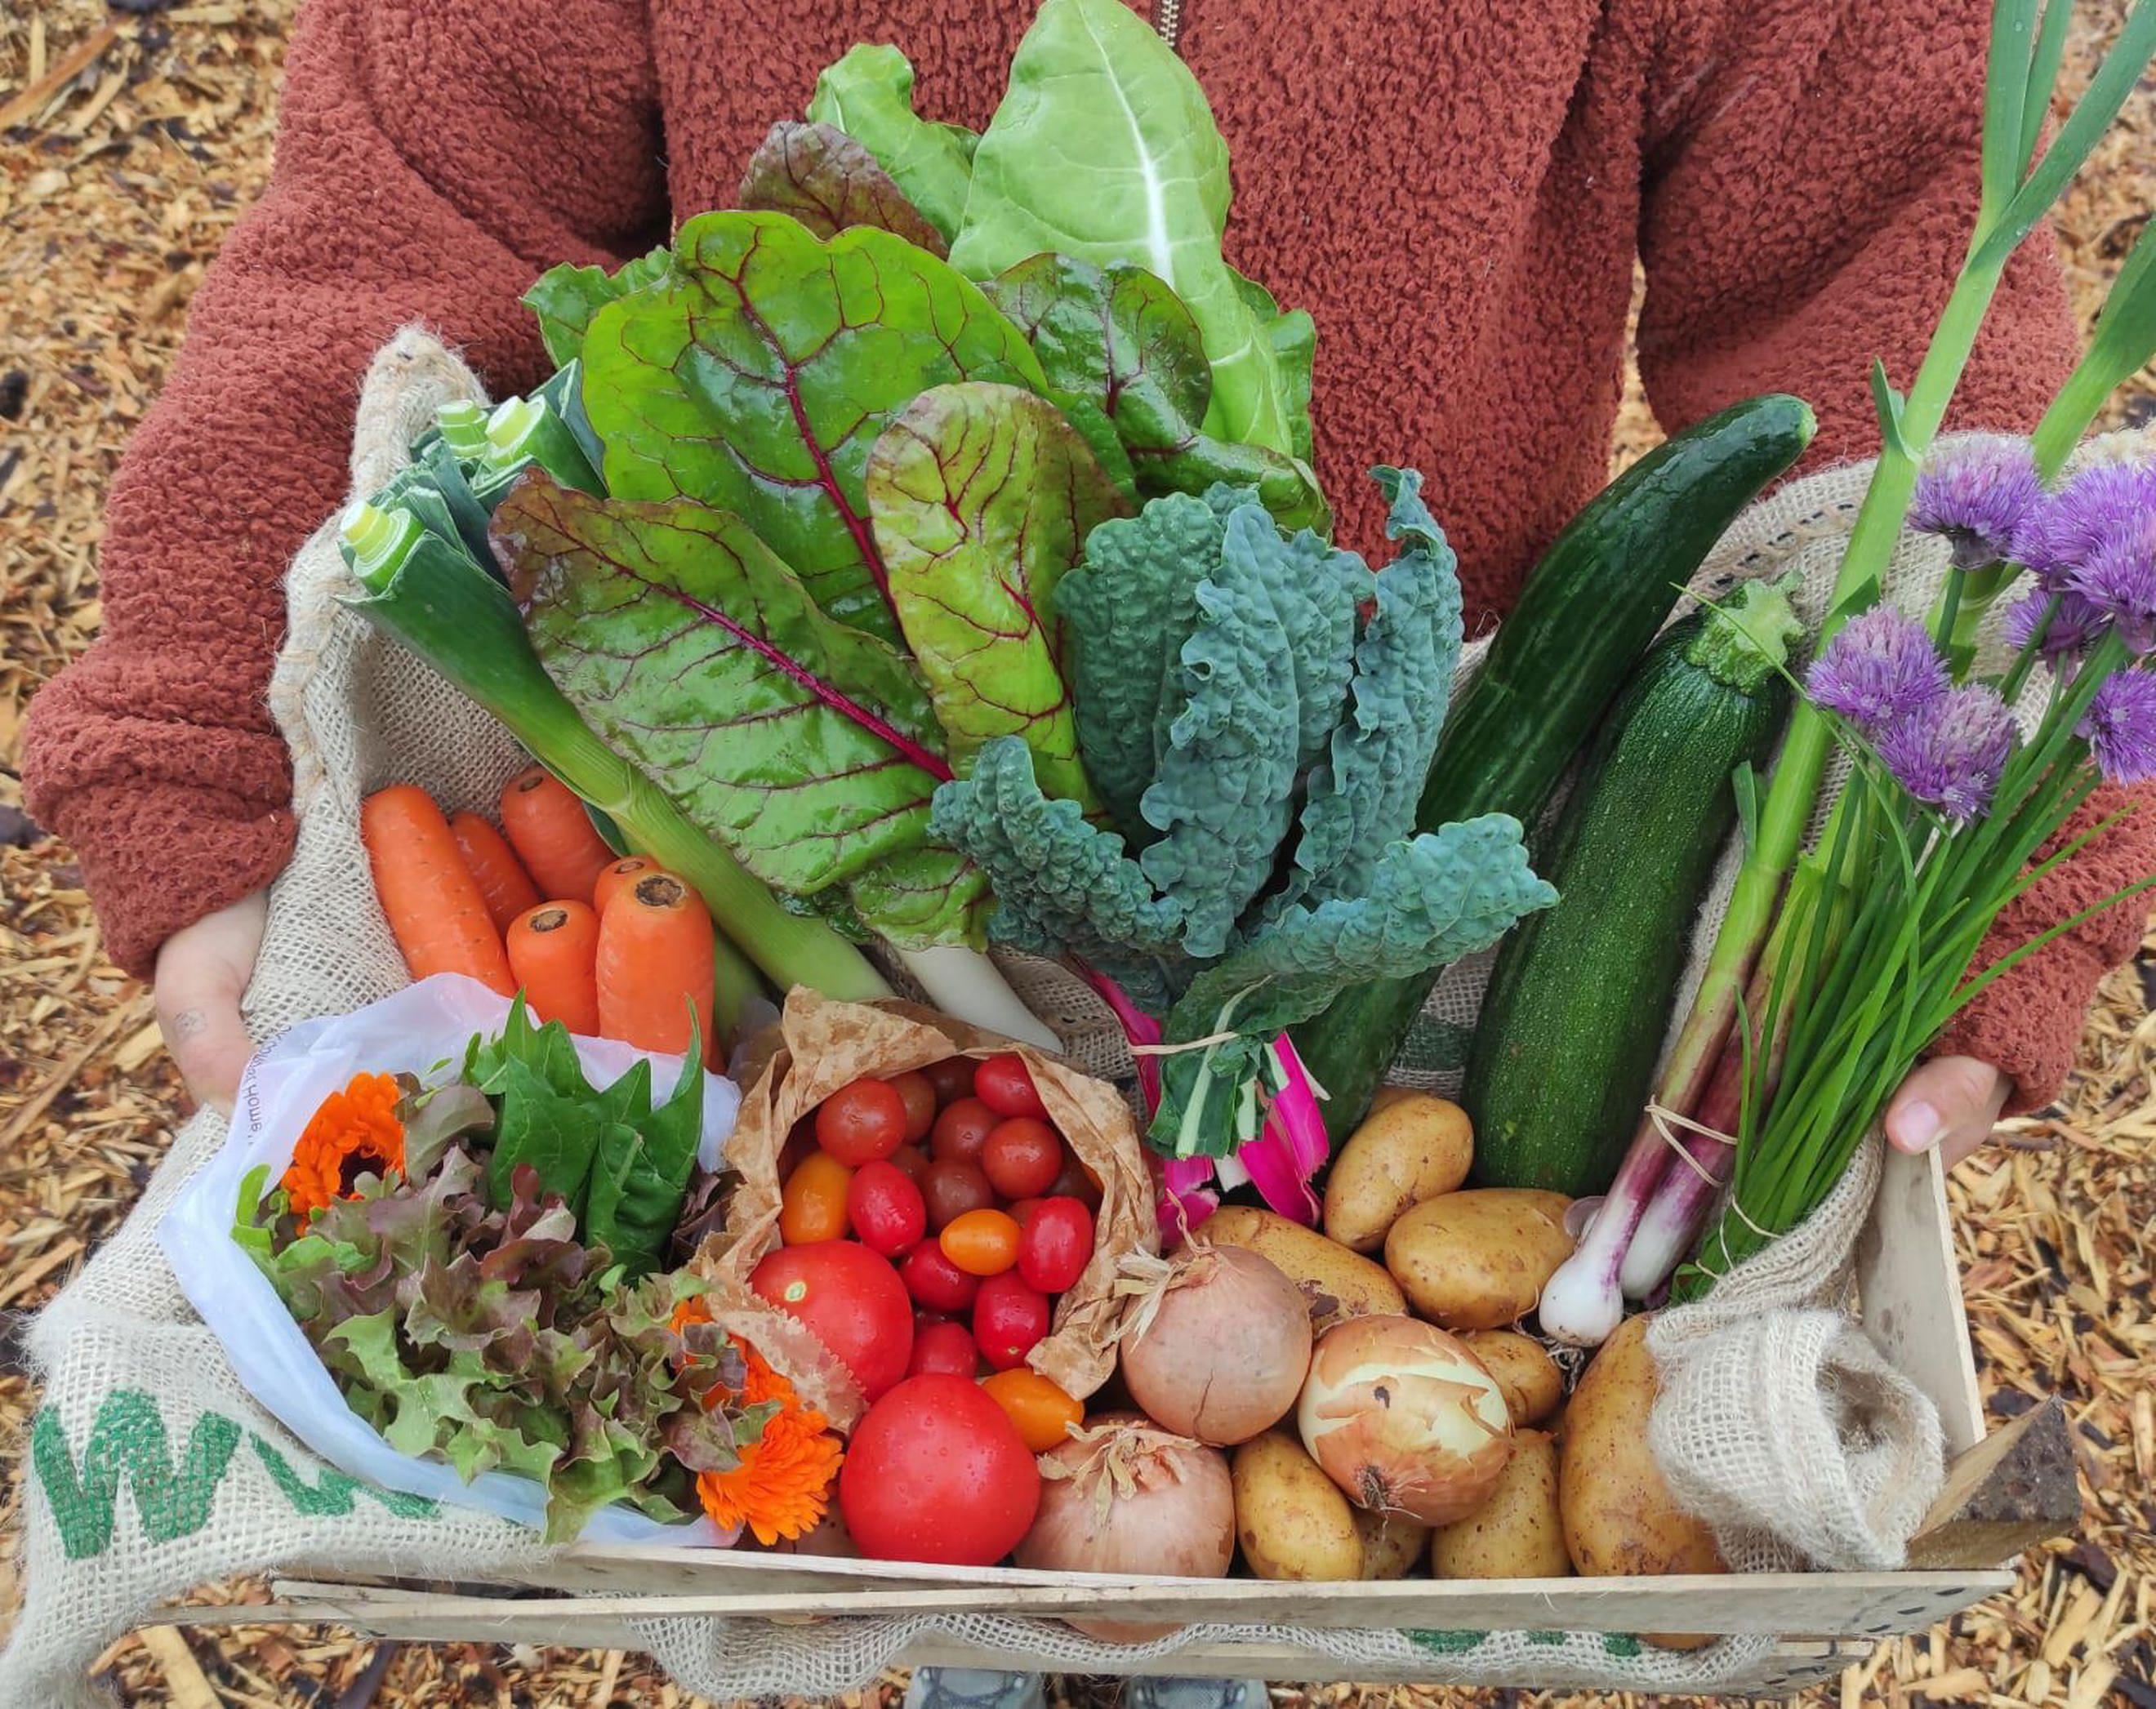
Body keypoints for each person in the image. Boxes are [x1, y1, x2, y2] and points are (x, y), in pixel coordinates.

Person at [18, 0, 2148, 1656]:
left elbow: (1893, 263)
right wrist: (214, 735)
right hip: (844, 918)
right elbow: (410, 215)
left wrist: (1998, 867)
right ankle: (980, 1635)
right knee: (957, 1520)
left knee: (1188, 1511)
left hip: (1391, 829)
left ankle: (1168, 1628)